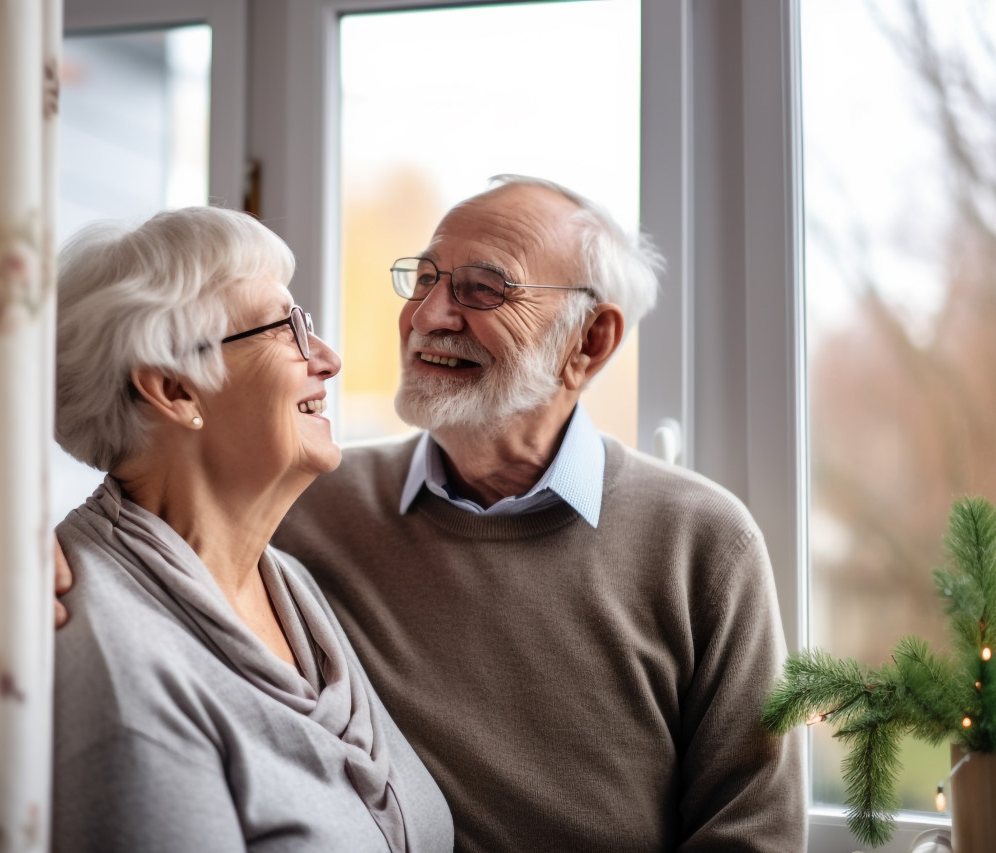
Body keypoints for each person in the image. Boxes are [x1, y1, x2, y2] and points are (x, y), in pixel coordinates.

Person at [56, 177, 806, 851]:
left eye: (483, 288)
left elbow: (752, 834)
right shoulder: (311, 506)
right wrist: (5, 549)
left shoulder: (704, 543)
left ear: (591, 340)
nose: (427, 314)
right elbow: (147, 519)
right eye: (424, 278)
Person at [50, 206, 452, 851]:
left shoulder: (286, 583)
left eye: (310, 325)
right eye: (287, 328)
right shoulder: (110, 656)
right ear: (175, 389)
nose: (328, 358)